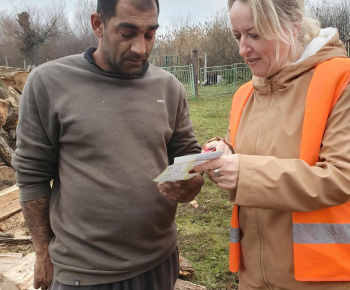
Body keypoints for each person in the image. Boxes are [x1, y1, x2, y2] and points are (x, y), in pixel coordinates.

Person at [11, 0, 204, 289]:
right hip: (84, 274)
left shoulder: (168, 87)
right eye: (127, 33)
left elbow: (187, 154)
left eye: (150, 34)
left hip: (158, 261)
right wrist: (42, 253)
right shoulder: (50, 83)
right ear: (98, 25)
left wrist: (193, 180)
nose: (141, 47)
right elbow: (32, 175)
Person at [161, 0, 350, 289]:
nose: (242, 49)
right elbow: (245, 149)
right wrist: (221, 150)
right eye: (237, 36)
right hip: (253, 277)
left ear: (292, 25)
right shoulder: (245, 94)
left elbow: (342, 177)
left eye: (255, 35)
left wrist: (245, 174)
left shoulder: (341, 80)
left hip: (321, 279)